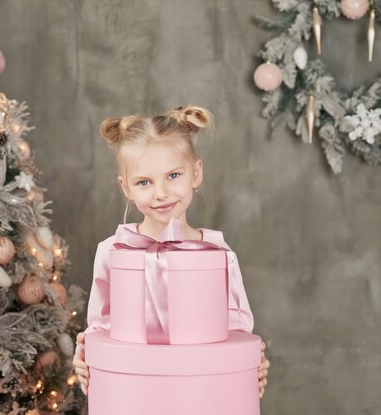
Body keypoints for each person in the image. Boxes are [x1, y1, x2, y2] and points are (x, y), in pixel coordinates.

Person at [73, 105, 270, 398]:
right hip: (134, 395)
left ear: (196, 173)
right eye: (144, 182)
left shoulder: (216, 253)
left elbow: (236, 327)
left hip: (202, 395)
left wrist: (252, 362)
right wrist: (87, 354)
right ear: (126, 187)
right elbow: (101, 326)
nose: (161, 193)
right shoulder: (113, 250)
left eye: (173, 176)